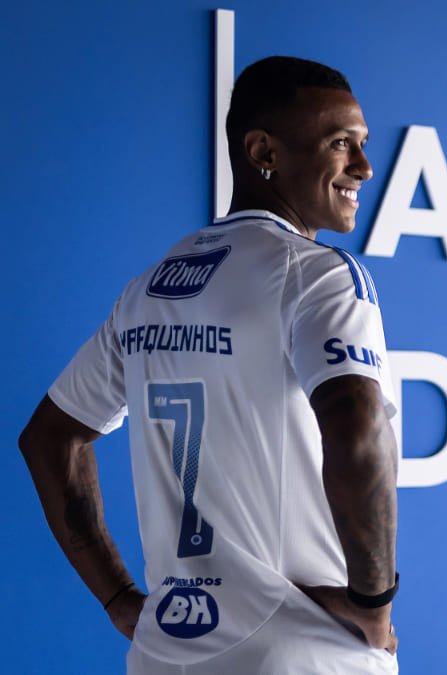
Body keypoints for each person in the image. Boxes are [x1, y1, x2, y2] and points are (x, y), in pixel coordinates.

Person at [18, 56, 400, 673]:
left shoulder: (149, 290)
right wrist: (374, 602)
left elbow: (49, 439)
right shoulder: (319, 275)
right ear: (262, 151)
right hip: (302, 652)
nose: (364, 166)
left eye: (362, 144)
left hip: (170, 653)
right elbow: (357, 429)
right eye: (340, 143)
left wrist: (120, 600)